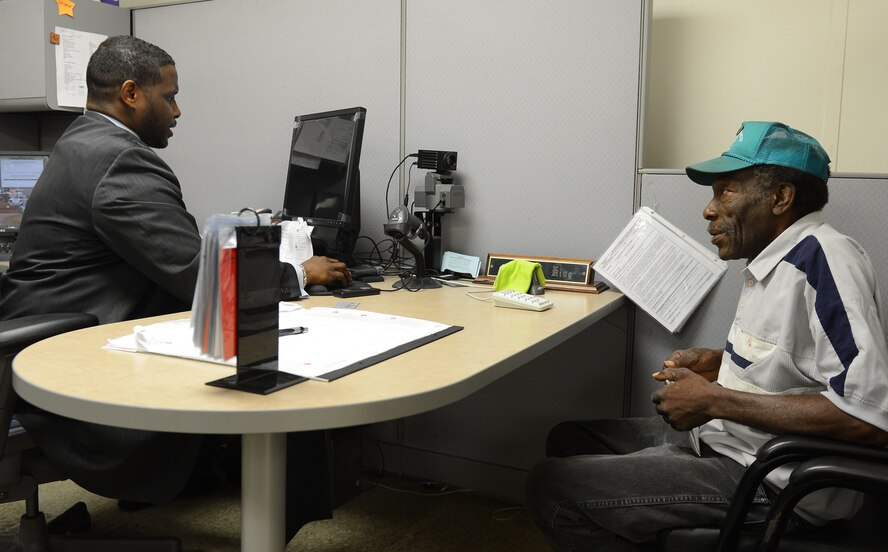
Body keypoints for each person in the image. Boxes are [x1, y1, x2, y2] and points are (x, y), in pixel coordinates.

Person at [0, 35, 349, 541]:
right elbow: (197, 273)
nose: (178, 110)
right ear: (131, 93)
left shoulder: (82, 141)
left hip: (52, 344)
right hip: (70, 368)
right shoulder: (120, 161)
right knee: (271, 362)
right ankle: (270, 530)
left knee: (233, 341)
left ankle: (201, 484)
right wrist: (299, 274)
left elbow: (167, 251)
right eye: (170, 96)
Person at [525, 121, 888, 551]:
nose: (708, 209)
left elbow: (870, 416)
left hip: (772, 480)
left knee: (551, 486)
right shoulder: (776, 261)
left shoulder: (825, 260)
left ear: (780, 197)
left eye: (725, 191)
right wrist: (719, 363)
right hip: (730, 440)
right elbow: (796, 363)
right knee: (569, 439)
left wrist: (715, 399)